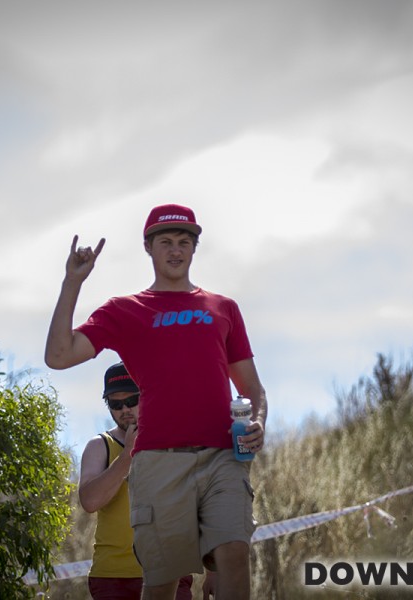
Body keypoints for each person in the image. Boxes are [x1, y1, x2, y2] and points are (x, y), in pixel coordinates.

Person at [46, 204, 267, 599]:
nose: (176, 250)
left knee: (234, 551)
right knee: (163, 583)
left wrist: (259, 422)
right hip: (158, 461)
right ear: (148, 248)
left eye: (185, 242)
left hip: (223, 456)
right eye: (165, 241)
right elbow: (59, 356)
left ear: (195, 248)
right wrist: (72, 283)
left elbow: (252, 389)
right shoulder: (125, 310)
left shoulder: (223, 308)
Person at [78, 362, 194, 599]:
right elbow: (89, 502)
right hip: (114, 577)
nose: (125, 410)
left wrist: (214, 569)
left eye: (132, 401)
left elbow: (200, 502)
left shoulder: (175, 440)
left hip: (171, 571)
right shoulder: (99, 445)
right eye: (115, 404)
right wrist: (128, 454)